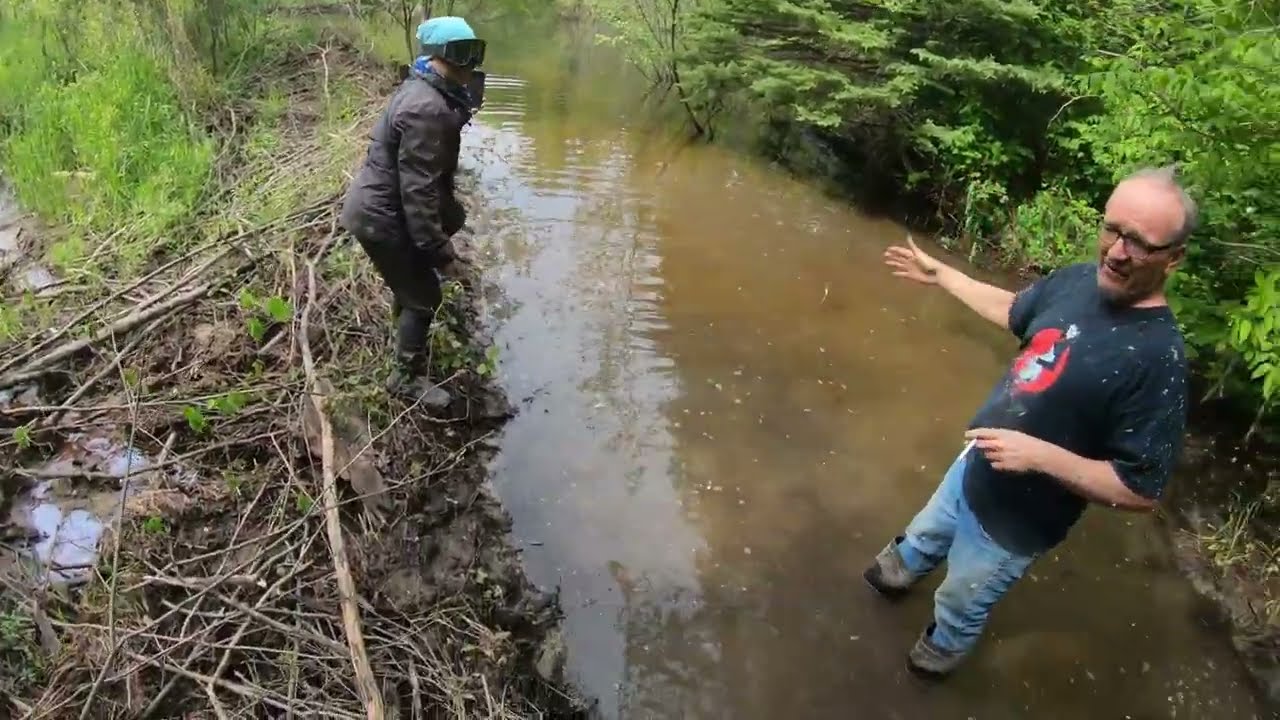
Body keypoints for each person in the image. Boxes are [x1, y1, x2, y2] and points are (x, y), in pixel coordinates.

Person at [864, 166, 1195, 677]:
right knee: (923, 534)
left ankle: (938, 654)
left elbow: (1140, 489)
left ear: (1174, 258)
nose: (1116, 251)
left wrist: (1039, 456)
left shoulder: (1159, 361)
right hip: (972, 465)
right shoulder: (1080, 281)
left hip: (1014, 526)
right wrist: (944, 277)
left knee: (959, 600)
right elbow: (1016, 310)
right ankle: (898, 573)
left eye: (1139, 243)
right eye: (1112, 229)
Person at [339, 16, 486, 403]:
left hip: (381, 210)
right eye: (459, 53)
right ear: (437, 56)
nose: (469, 63)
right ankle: (403, 378)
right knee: (424, 297)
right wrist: (441, 252)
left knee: (411, 286)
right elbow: (419, 192)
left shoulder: (423, 90)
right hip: (383, 217)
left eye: (474, 52)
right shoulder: (427, 108)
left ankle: (403, 338)